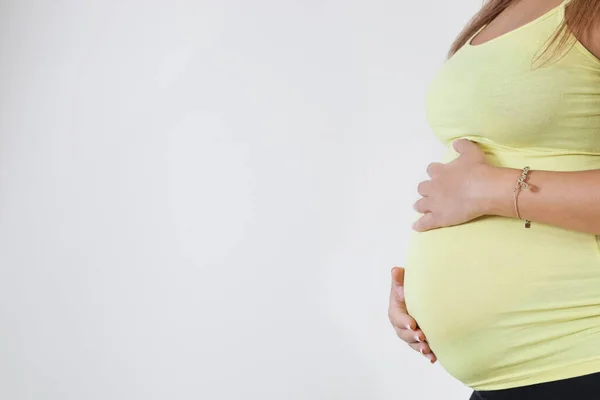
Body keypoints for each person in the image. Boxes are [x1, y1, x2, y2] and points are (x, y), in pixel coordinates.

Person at [388, 0, 600, 398]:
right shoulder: (509, 7)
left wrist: (487, 190)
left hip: (580, 354)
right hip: (510, 382)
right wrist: (421, 295)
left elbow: (477, 184)